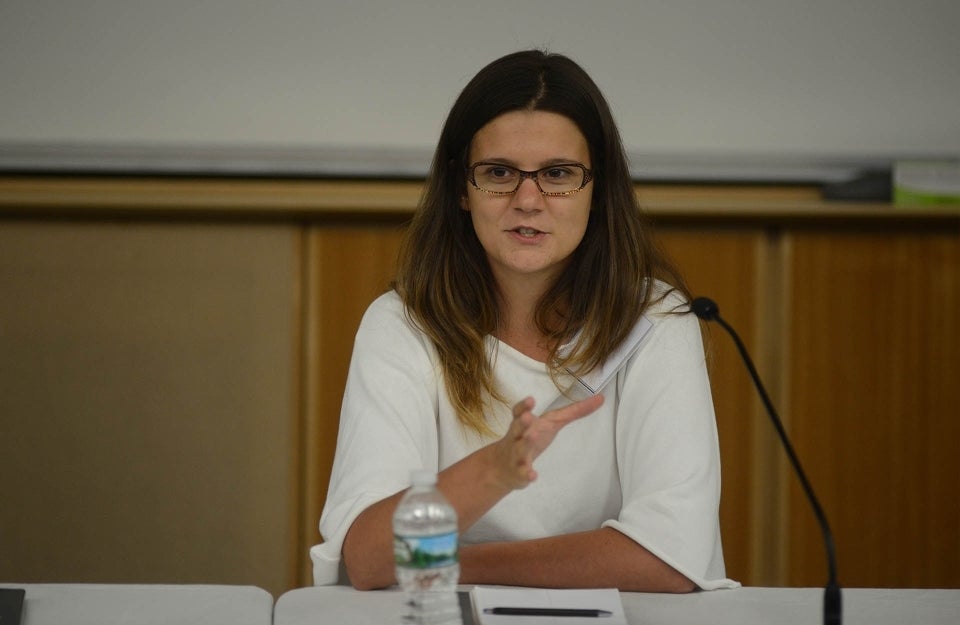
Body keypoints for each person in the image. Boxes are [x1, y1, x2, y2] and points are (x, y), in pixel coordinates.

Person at [311, 49, 738, 593]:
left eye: (558, 174)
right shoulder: (402, 325)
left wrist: (442, 561)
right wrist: (492, 472)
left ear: (598, 189)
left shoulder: (656, 322)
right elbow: (371, 558)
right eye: (499, 173)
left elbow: (668, 560)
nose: (528, 200)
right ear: (461, 190)